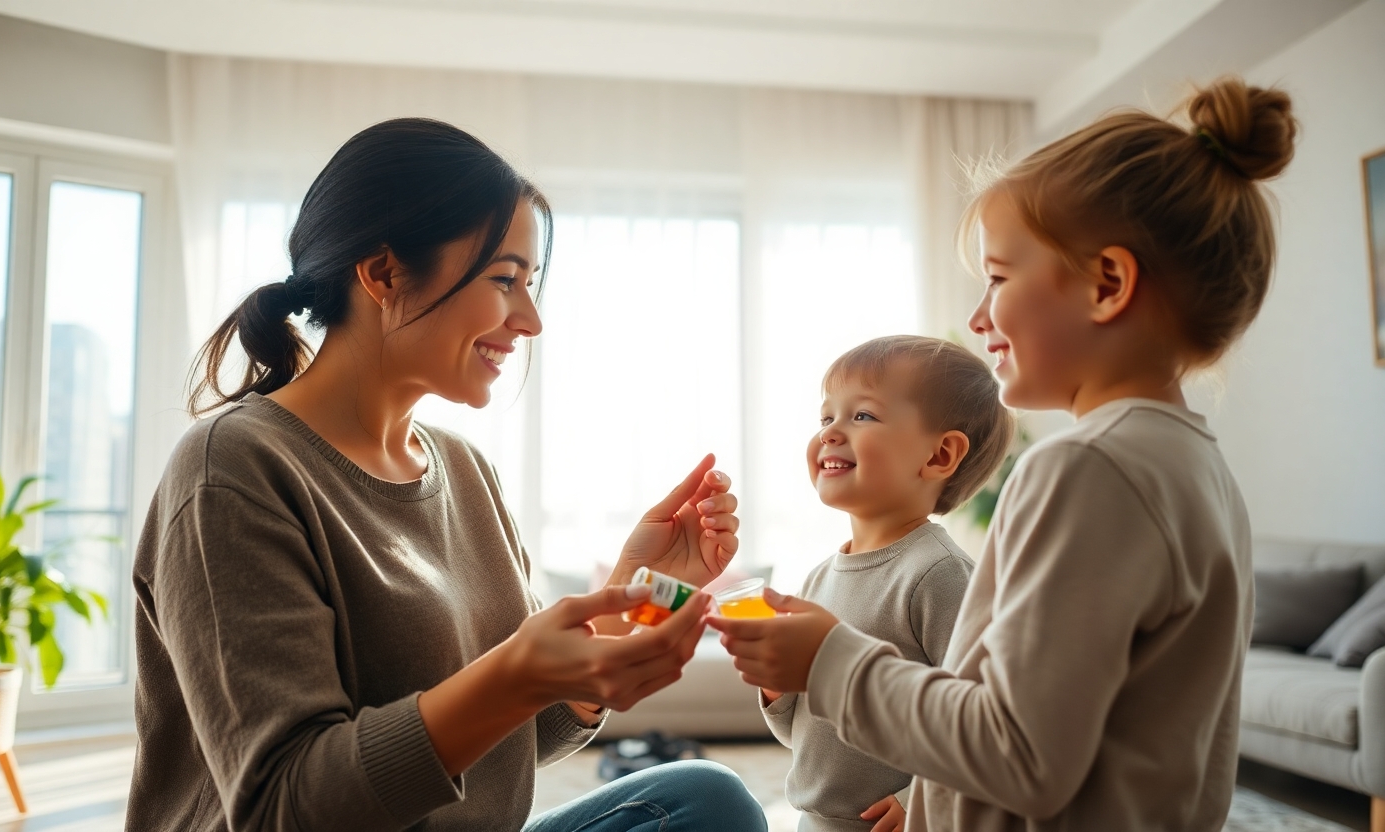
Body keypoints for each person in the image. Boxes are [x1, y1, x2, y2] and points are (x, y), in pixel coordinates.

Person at [125, 118, 768, 832]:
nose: (530, 320)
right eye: (505, 280)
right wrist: (515, 673)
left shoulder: (463, 469)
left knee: (707, 802)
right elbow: (285, 806)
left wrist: (624, 598)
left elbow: (523, 734)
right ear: (383, 273)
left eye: (532, 284)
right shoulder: (235, 469)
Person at [712, 76, 1297, 831]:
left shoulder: (1089, 469)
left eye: (997, 278)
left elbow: (1018, 754)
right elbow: (1059, 735)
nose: (976, 315)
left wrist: (828, 659)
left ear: (1107, 284)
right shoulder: (1198, 468)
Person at [760, 335, 1012, 832]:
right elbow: (800, 736)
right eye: (826, 417)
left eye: (862, 416)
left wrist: (917, 797)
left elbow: (977, 722)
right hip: (814, 821)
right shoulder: (819, 577)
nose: (831, 432)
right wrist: (775, 691)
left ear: (940, 455)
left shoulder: (938, 574)